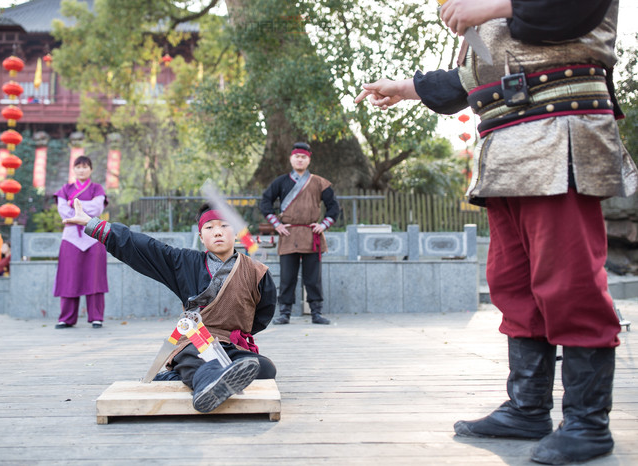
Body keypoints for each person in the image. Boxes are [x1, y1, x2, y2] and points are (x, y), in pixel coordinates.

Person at [355, 0, 637, 464]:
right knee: (513, 284)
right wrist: (404, 89)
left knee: (569, 283)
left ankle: (588, 423)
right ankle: (527, 409)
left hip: (561, 128)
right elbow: (470, 80)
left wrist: (490, 6)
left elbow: (569, 11)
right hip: (506, 145)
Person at [63, 199, 277, 413]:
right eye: (209, 228)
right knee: (197, 358)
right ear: (201, 237)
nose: (217, 232)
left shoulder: (257, 272)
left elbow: (262, 314)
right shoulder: (184, 262)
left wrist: (233, 333)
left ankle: (188, 376)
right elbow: (145, 247)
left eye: (224, 226)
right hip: (196, 341)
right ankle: (207, 386)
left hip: (232, 345)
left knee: (265, 367)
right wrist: (93, 224)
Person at [260, 142, 339, 325]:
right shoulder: (280, 181)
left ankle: (316, 312)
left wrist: (324, 225)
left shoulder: (320, 182)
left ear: (308, 159)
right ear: (291, 158)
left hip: (311, 235)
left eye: (304, 157)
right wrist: (277, 225)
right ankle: (285, 313)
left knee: (313, 277)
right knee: (287, 277)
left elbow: (334, 207)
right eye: (297, 156)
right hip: (289, 235)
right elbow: (265, 202)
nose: (300, 159)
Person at [53, 155, 108, 329]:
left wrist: (73, 204)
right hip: (71, 238)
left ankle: (96, 317)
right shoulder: (65, 188)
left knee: (95, 277)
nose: (82, 170)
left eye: (85, 166)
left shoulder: (97, 188)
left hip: (93, 235)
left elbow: (97, 208)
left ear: (91, 169)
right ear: (74, 170)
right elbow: (63, 211)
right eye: (78, 167)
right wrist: (82, 208)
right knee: (69, 277)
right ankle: (66, 318)